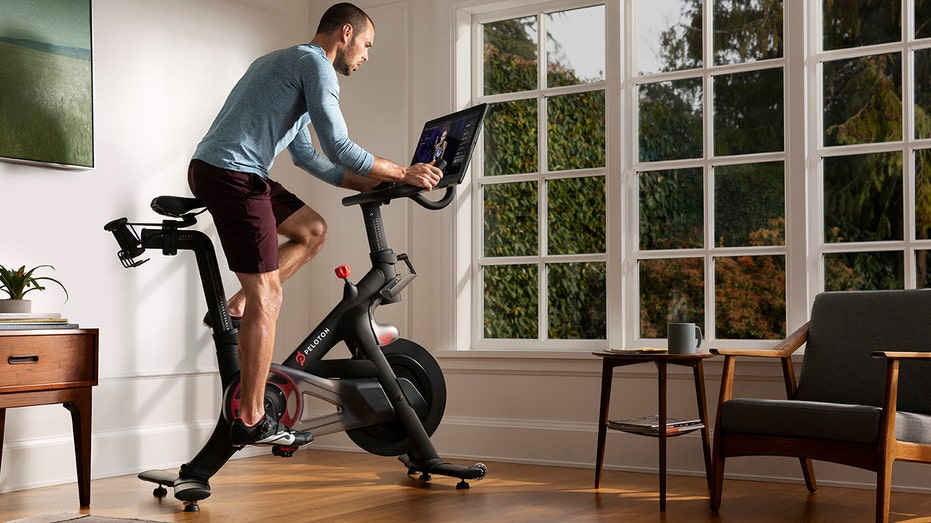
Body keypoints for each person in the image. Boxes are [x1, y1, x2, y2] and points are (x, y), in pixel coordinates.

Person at [187, 2, 442, 447]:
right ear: (345, 33)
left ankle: (235, 308)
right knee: (269, 297)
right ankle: (251, 419)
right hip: (233, 174)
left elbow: (309, 157)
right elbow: (339, 145)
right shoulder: (315, 65)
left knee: (313, 231)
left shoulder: (285, 62)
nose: (366, 55)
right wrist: (402, 172)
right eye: (366, 44)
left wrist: (376, 182)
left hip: (232, 171)